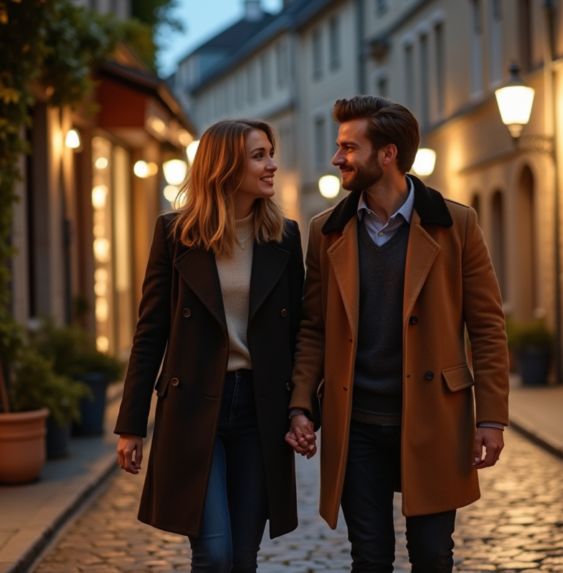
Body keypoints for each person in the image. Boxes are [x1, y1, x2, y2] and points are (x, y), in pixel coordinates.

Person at [285, 95, 510, 572]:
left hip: (434, 417)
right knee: (370, 558)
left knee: (432, 556)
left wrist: (491, 417)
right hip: (357, 424)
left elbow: (488, 328)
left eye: (349, 147)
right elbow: (313, 328)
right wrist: (302, 403)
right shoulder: (325, 231)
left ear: (387, 154)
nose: (336, 158)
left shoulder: (458, 224)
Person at [115, 119, 305, 573]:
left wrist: (303, 408)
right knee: (215, 554)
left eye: (270, 153)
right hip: (194, 406)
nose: (272, 165)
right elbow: (150, 333)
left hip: (260, 409)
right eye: (259, 156)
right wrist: (131, 424)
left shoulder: (285, 236)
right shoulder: (175, 235)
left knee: (242, 558)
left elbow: (301, 333)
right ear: (225, 166)